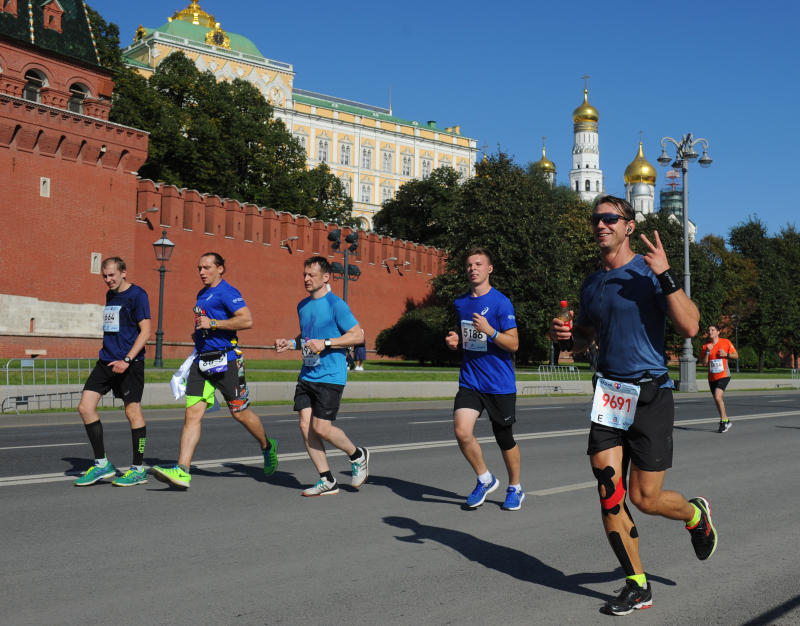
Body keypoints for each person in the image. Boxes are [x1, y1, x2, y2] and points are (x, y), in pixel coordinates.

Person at [550, 195, 717, 616]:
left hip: (650, 394)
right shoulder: (591, 284)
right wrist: (568, 338)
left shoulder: (649, 272)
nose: (601, 225)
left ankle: (696, 515)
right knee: (610, 493)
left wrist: (667, 276)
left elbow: (691, 326)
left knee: (646, 499)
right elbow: (588, 335)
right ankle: (637, 584)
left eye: (610, 218)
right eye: (596, 219)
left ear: (628, 226)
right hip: (609, 395)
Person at [152, 253, 277, 488]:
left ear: (220, 269)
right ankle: (182, 470)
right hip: (202, 362)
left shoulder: (228, 292)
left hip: (226, 361)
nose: (201, 272)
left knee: (239, 413)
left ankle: (267, 446)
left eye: (207, 267)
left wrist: (214, 324)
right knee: (192, 414)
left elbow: (246, 320)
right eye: (199, 267)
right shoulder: (202, 293)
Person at [275, 256, 369, 496]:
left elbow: (357, 336)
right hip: (308, 373)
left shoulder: (337, 305)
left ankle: (357, 455)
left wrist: (327, 342)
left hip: (331, 375)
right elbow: (308, 337)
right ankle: (327, 480)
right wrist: (291, 343)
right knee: (305, 426)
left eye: (311, 275)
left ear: (326, 277)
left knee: (322, 428)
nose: (306, 279)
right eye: (304, 274)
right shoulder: (302, 305)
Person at [445, 248, 523, 510]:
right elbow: (468, 338)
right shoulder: (461, 303)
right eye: (469, 265)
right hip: (470, 380)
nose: (473, 268)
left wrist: (490, 331)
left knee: (504, 438)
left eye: (478, 264)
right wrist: (456, 341)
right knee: (461, 431)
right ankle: (485, 478)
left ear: (489, 269)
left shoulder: (502, 303)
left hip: (499, 383)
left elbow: (513, 344)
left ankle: (515, 487)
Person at [74, 257, 151, 487]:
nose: (108, 280)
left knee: (132, 411)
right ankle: (102, 465)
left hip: (130, 363)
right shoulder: (111, 294)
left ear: (124, 272)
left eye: (112, 275)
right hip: (106, 361)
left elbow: (146, 331)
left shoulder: (138, 295)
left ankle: (138, 470)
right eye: (104, 276)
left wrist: (127, 359)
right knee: (85, 407)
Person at [701, 324, 738, 433]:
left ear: (718, 332)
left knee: (718, 396)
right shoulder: (705, 346)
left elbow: (736, 355)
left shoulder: (725, 342)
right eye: (709, 330)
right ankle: (726, 420)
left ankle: (723, 422)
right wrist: (707, 352)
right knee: (717, 400)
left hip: (724, 375)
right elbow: (703, 363)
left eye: (713, 330)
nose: (710, 332)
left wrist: (726, 354)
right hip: (712, 377)